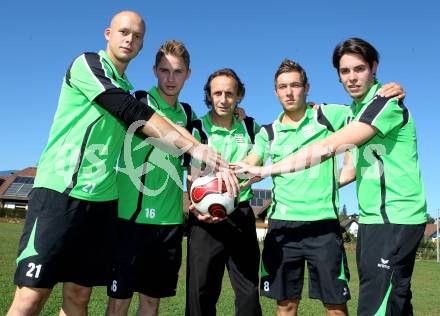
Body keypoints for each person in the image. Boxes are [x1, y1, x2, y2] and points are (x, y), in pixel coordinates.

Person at [8, 12, 237, 316]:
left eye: (137, 36)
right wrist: (196, 148)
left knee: (78, 298)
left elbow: (169, 134)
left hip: (102, 204)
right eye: (124, 32)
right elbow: (130, 110)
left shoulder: (134, 92)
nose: (129, 39)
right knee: (30, 297)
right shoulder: (87, 65)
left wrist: (206, 157)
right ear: (108, 33)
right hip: (60, 193)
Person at [234, 38, 426, 316]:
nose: (351, 77)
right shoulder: (357, 109)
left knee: (373, 307)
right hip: (371, 219)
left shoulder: (373, 105)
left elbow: (326, 148)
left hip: (392, 218)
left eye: (358, 69)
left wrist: (265, 171)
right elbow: (353, 168)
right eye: (345, 71)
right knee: (395, 300)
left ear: (374, 67)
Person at [241, 59, 353, 316]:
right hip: (282, 227)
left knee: (335, 306)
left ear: (307, 87)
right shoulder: (268, 132)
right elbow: (252, 162)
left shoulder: (328, 116)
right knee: (286, 305)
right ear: (275, 91)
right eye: (283, 87)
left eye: (295, 85)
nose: (289, 92)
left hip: (323, 225)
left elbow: (364, 115)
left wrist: (385, 90)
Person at [105, 40, 197, 316]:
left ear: (188, 74)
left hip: (168, 222)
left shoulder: (190, 115)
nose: (171, 78)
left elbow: (198, 158)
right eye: (165, 70)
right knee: (118, 301)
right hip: (131, 218)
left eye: (178, 71)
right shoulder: (138, 102)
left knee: (151, 302)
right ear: (154, 70)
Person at [185, 68, 262, 316]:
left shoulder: (250, 127)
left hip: (241, 215)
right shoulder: (196, 128)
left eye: (229, 93)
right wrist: (196, 207)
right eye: (217, 93)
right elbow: (190, 173)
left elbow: (256, 159)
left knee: (249, 293)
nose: (223, 99)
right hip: (204, 219)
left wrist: (238, 176)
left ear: (239, 95)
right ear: (209, 95)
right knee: (201, 294)